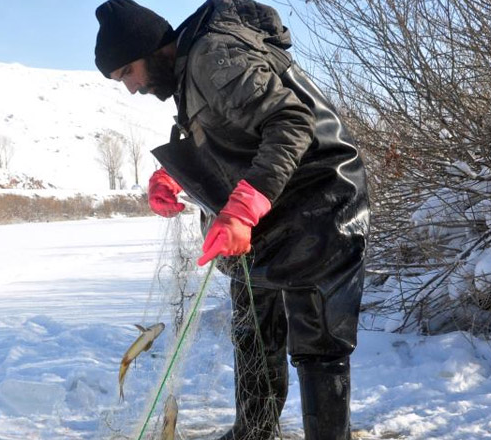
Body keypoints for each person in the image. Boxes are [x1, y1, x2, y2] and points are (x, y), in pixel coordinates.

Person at [94, 1, 369, 439]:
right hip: (270, 211)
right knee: (253, 327)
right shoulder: (189, 70)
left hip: (321, 198)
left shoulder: (212, 54)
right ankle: (254, 431)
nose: (131, 87)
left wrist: (242, 209)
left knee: (318, 342)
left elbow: (291, 121)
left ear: (153, 49)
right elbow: (233, 134)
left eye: (128, 71)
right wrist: (173, 172)